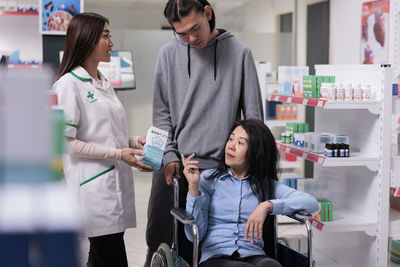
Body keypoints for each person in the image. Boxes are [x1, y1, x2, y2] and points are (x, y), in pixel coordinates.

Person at [145, 0, 264, 265]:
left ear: (207, 13)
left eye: (194, 28)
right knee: (159, 242)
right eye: (181, 33)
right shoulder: (167, 54)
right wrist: (168, 156)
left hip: (221, 172)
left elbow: (254, 120)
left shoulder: (240, 53)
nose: (190, 38)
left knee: (208, 246)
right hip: (173, 165)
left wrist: (248, 166)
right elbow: (161, 115)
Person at [52, 12, 152, 267]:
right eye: (106, 36)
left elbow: (105, 134)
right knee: (111, 257)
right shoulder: (68, 85)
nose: (112, 43)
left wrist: (131, 142)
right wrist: (119, 154)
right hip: (93, 192)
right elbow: (66, 142)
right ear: (87, 40)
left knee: (100, 258)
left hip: (113, 187)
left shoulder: (103, 82)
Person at [181, 119, 320, 266]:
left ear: (256, 151)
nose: (231, 146)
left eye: (240, 143)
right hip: (216, 257)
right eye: (231, 139)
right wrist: (194, 186)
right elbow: (193, 235)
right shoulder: (209, 179)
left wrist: (267, 205)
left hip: (254, 255)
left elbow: (311, 203)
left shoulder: (265, 185)